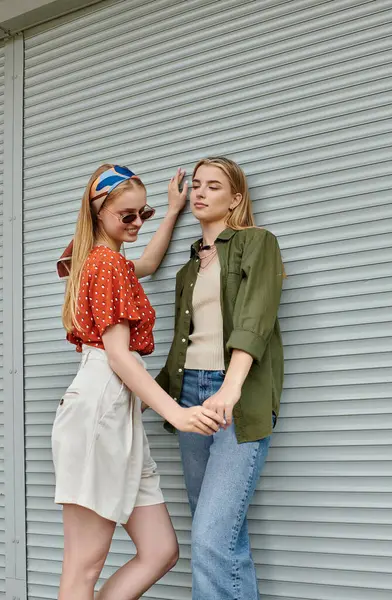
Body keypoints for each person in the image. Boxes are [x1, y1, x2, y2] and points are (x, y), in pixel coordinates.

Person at [52, 164, 223, 600]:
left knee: (160, 549)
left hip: (117, 408)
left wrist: (169, 213)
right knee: (83, 567)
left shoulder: (113, 261)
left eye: (140, 214)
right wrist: (177, 413)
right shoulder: (104, 263)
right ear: (97, 211)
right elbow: (120, 357)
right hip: (101, 403)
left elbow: (145, 262)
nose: (135, 223)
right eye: (125, 215)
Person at [155, 157, 285, 599]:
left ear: (236, 198)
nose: (201, 192)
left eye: (214, 185)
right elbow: (182, 344)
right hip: (190, 397)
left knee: (212, 538)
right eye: (196, 184)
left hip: (238, 399)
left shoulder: (257, 243)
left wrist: (230, 387)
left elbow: (255, 319)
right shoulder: (187, 270)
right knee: (223, 536)